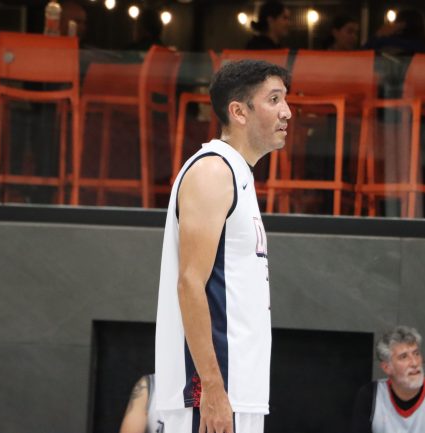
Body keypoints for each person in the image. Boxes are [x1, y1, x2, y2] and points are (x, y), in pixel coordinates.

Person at [154, 60, 291, 433]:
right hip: (211, 396)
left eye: (285, 99)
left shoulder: (238, 173)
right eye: (274, 99)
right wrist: (212, 390)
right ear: (239, 112)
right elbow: (190, 283)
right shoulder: (213, 171)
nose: (287, 112)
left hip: (238, 392)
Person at [349, 325, 425, 433]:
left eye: (416, 353)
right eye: (404, 357)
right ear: (387, 367)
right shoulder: (370, 396)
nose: (414, 363)